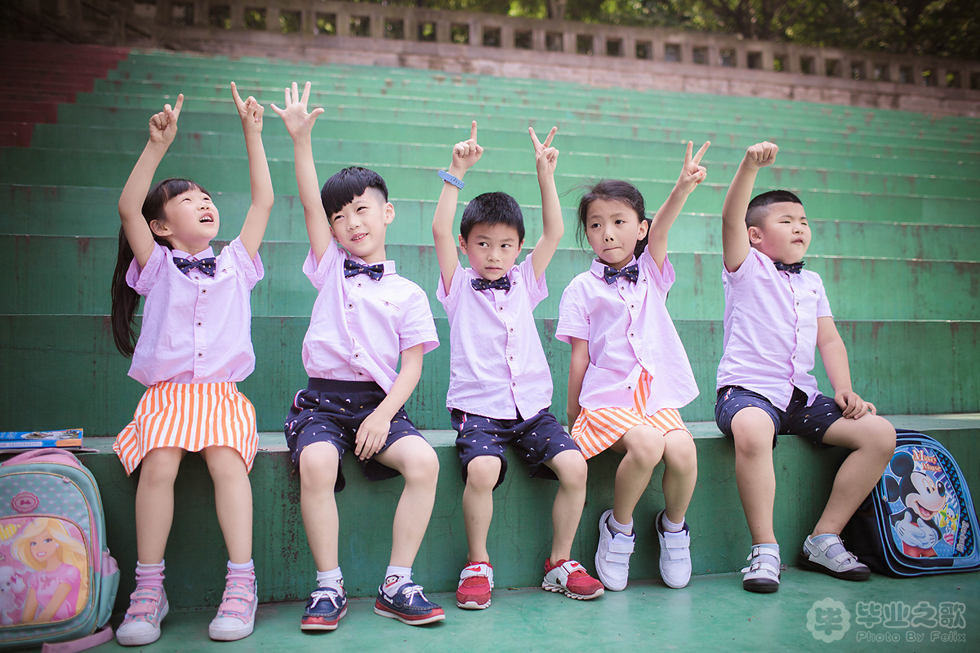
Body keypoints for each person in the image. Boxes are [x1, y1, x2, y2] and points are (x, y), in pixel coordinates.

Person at [273, 83, 443, 630]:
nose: (352, 222)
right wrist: (300, 140)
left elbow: (412, 366)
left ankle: (397, 583)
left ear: (387, 212)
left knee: (425, 462)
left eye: (362, 209)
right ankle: (329, 585)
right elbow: (308, 200)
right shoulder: (329, 265)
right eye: (340, 216)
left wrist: (383, 415)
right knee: (317, 462)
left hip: (379, 403)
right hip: (323, 403)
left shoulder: (409, 294)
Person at [110, 85, 273, 644]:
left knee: (228, 462)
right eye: (186, 199)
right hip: (167, 396)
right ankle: (148, 589)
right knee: (159, 464)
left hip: (222, 395)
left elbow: (262, 202)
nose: (204, 202)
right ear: (161, 226)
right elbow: (128, 206)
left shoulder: (235, 263)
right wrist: (157, 147)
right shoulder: (157, 264)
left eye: (206, 196)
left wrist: (253, 133)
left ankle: (242, 582)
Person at [432, 122, 603, 610]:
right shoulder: (458, 286)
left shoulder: (525, 280)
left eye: (506, 245)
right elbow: (439, 228)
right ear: (466, 245)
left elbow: (554, 231)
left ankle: (560, 562)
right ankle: (478, 563)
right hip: (479, 410)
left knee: (574, 466)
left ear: (518, 249)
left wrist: (545, 174)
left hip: (531, 409)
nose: (494, 255)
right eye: (483, 243)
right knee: (483, 469)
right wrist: (457, 171)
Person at [715, 141, 897, 593]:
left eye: (804, 221)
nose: (799, 227)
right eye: (786, 221)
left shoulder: (812, 282)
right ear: (755, 235)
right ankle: (765, 548)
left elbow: (829, 339)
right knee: (754, 429)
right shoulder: (745, 267)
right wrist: (748, 167)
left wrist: (844, 388)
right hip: (747, 393)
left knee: (879, 434)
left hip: (802, 397)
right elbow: (730, 218)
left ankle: (824, 537)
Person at [557, 142, 710, 592]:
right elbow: (580, 355)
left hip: (653, 397)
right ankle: (619, 528)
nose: (607, 233)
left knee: (683, 451)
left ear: (641, 228)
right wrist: (573, 414)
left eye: (619, 222)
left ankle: (673, 528)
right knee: (646, 446)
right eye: (596, 224)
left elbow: (663, 230)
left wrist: (682, 188)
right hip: (606, 399)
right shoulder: (581, 288)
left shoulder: (651, 274)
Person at [12, 518, 88, 624]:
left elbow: (46, 616)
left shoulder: (70, 572)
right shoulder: (37, 577)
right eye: (33, 543)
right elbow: (26, 619)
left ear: (58, 541)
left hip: (68, 626)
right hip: (45, 628)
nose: (39, 547)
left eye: (47, 540)